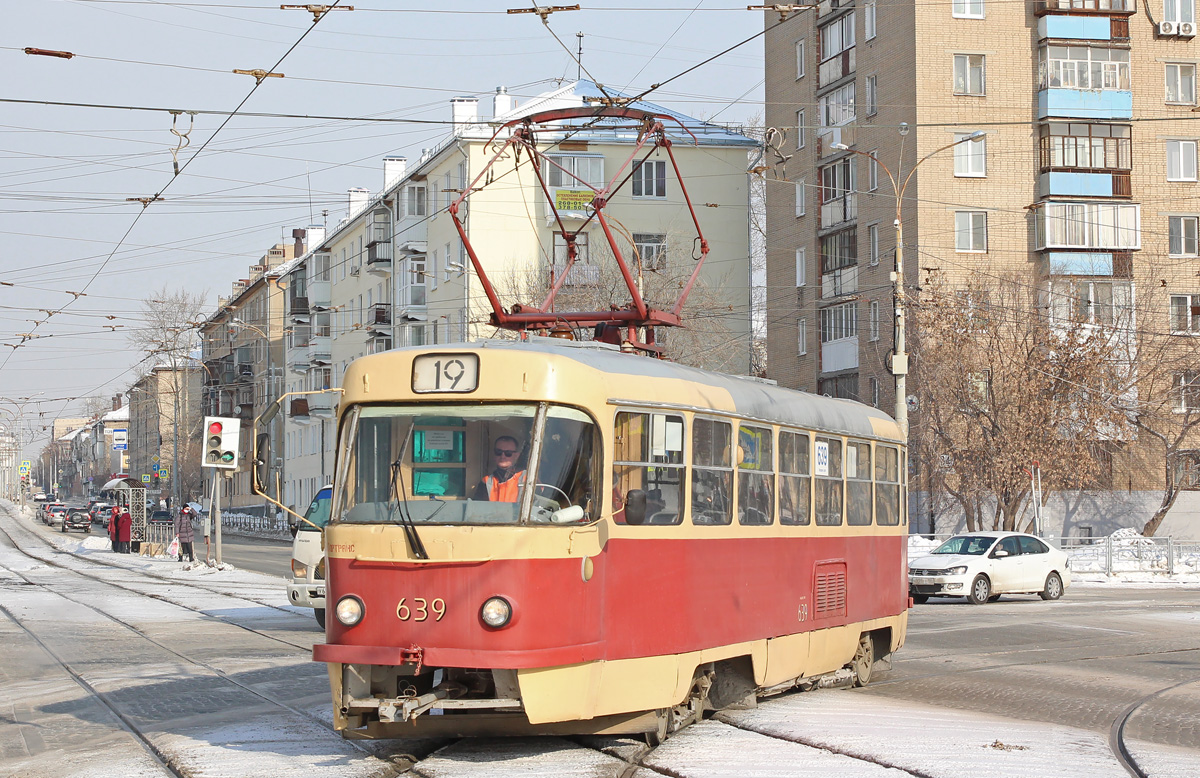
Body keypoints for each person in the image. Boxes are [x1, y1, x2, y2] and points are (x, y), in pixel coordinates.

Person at [470, 435, 525, 502]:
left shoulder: (528, 479)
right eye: (498, 452)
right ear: (494, 453)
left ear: (516, 455)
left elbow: (537, 507)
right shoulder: (486, 481)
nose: (502, 456)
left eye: (508, 453)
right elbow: (477, 508)